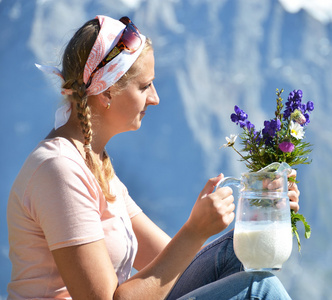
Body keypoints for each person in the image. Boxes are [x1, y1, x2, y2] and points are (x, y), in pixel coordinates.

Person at [7, 15, 301, 299]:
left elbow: (178, 266)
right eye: (145, 86)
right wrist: (194, 231)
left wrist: (262, 208)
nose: (156, 98)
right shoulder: (60, 169)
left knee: (233, 255)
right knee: (257, 291)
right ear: (107, 92)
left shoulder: (94, 163)